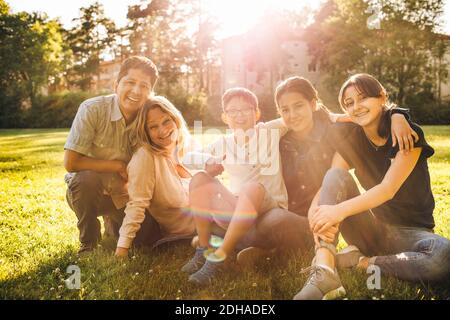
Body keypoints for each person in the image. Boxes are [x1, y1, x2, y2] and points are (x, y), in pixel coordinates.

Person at [294, 73, 450, 300]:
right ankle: (324, 267)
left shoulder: (406, 133)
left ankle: (359, 262)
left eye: (363, 98)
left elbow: (388, 189)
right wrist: (314, 208)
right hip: (371, 229)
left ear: (382, 97)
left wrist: (398, 114)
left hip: (411, 233)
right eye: (349, 103)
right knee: (335, 173)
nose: (356, 107)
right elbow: (334, 177)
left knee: (443, 255)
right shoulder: (351, 139)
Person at [181, 87, 314, 286]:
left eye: (246, 109)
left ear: (257, 113)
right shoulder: (223, 142)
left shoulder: (269, 130)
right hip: (238, 207)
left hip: (268, 205)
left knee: (252, 187)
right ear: (224, 117)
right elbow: (186, 158)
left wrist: (339, 118)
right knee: (199, 178)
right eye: (233, 111)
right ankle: (203, 248)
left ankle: (220, 257)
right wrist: (208, 161)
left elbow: (300, 115)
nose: (239, 115)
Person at [64, 56, 159, 255]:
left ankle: (113, 224)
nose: (136, 91)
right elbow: (71, 163)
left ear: (150, 92)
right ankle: (88, 241)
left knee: (147, 240)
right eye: (130, 82)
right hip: (87, 193)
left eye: (144, 86)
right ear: (116, 85)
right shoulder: (92, 109)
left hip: (124, 195)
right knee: (85, 179)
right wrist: (116, 166)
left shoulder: (149, 117)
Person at [115, 96, 197, 257]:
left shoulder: (189, 146)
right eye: (153, 127)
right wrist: (122, 249)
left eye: (166, 121)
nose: (163, 130)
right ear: (146, 132)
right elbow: (137, 203)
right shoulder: (146, 157)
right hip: (188, 232)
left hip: (215, 217)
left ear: (176, 119)